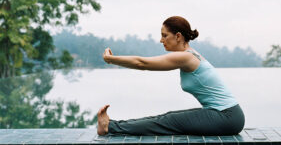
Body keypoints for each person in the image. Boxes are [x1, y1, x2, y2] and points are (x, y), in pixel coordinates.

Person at [98, 16, 244, 136]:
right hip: (226, 115)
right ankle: (111, 125)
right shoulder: (191, 55)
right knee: (168, 118)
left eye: (164, 35)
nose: (161, 40)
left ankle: (110, 127)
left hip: (226, 117)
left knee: (168, 121)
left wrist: (111, 59)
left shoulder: (187, 57)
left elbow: (142, 63)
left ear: (178, 36)